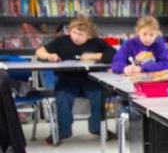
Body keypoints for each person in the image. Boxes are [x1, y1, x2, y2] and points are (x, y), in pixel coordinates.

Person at [34, 16, 115, 144]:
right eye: (74, 32)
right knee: (62, 97)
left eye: (81, 34)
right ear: (70, 31)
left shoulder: (96, 42)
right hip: (67, 79)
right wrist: (49, 55)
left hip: (91, 79)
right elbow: (39, 51)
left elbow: (113, 54)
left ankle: (98, 129)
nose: (76, 37)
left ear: (89, 35)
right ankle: (62, 132)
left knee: (98, 95)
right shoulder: (61, 41)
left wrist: (93, 56)